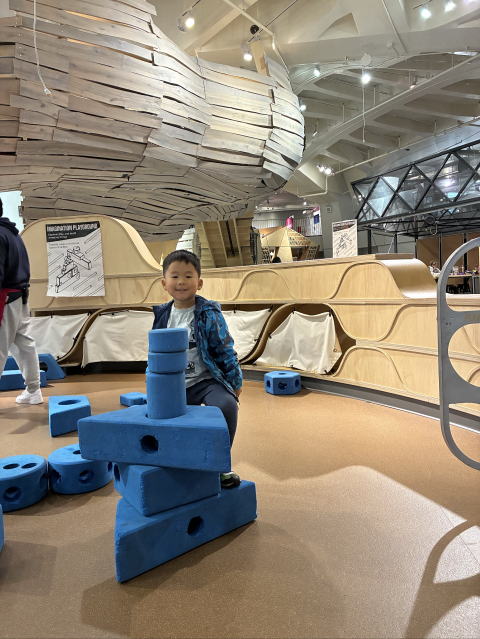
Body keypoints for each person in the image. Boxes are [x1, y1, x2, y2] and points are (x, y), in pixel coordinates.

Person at [152, 249, 242, 489]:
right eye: (175, 276)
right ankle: (177, 463)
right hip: (174, 384)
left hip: (206, 380)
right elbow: (156, 353)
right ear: (164, 283)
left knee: (226, 406)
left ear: (199, 282)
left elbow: (225, 348)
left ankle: (220, 464)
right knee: (162, 416)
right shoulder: (161, 315)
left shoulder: (208, 313)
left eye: (188, 276)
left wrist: (235, 382)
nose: (181, 282)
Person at [0, 199, 43, 404]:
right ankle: (34, 391)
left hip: (5, 298)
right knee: (24, 345)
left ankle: (33, 390)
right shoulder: (13, 233)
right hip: (20, 296)